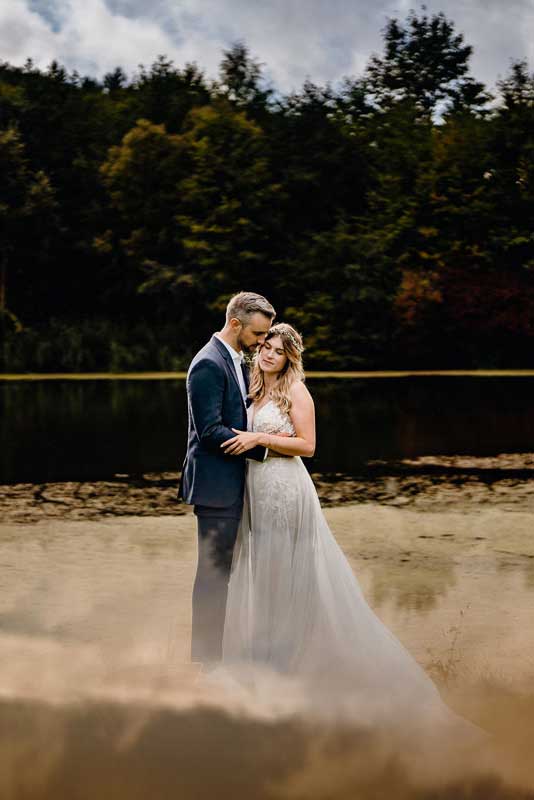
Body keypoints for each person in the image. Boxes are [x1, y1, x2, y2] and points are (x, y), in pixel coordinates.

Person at [216, 323, 487, 740]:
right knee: (261, 576)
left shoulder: (296, 391)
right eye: (265, 345)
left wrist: (258, 437)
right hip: (256, 490)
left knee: (289, 575)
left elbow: (308, 446)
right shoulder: (251, 390)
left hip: (286, 491)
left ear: (291, 357)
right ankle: (265, 665)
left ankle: (292, 667)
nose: (269, 353)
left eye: (278, 349)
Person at [179, 291, 276, 669]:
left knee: (224, 572)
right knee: (214, 574)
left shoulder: (235, 359)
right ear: (235, 324)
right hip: (216, 487)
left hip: (232, 484)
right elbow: (209, 431)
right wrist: (265, 447)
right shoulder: (208, 363)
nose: (262, 342)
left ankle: (220, 657)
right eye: (257, 334)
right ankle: (205, 664)